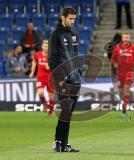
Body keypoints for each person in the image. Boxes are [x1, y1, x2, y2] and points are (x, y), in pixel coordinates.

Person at [48, 7, 82, 152]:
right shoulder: (55, 34)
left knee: (68, 113)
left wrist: (79, 71)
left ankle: (64, 144)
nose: (72, 21)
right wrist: (60, 78)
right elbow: (52, 59)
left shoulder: (74, 33)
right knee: (65, 110)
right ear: (63, 17)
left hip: (75, 78)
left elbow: (75, 55)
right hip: (62, 79)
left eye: (74, 19)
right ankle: (57, 141)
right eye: (70, 19)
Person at [111, 33, 134, 114]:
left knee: (126, 88)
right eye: (124, 37)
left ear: (129, 38)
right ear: (122, 38)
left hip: (129, 72)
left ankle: (125, 105)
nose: (126, 39)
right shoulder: (117, 48)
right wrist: (114, 63)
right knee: (120, 91)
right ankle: (125, 101)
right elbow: (113, 58)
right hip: (120, 72)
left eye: (127, 37)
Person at [29, 40, 54, 116]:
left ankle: (51, 110)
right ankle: (45, 104)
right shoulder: (38, 54)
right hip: (41, 78)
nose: (45, 47)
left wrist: (50, 67)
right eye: (44, 45)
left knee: (51, 96)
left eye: (47, 46)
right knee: (40, 93)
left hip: (51, 79)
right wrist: (32, 72)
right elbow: (34, 62)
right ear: (42, 47)